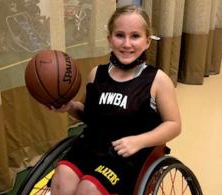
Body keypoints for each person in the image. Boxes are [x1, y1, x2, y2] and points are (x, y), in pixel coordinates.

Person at [50, 5, 181, 195]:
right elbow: (87, 113)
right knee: (62, 178)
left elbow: (174, 124)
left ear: (147, 42)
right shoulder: (97, 74)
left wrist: (139, 141)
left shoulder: (158, 80)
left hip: (128, 154)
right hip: (92, 145)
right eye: (120, 35)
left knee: (89, 189)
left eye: (135, 36)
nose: (127, 44)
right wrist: (70, 106)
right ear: (110, 39)